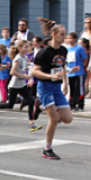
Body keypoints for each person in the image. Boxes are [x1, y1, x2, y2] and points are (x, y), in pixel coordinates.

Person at [32, 18, 73, 160]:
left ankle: (40, 105)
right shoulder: (44, 52)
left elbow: (62, 67)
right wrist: (50, 75)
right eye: (62, 34)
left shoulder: (63, 50)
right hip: (45, 86)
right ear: (54, 34)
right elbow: (34, 72)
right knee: (54, 119)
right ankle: (47, 148)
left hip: (57, 87)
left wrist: (65, 83)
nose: (64, 37)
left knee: (68, 118)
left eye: (65, 34)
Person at [0, 40, 43, 132]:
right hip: (14, 85)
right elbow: (12, 72)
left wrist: (29, 79)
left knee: (30, 101)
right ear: (20, 48)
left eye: (27, 47)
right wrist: (25, 76)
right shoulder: (17, 58)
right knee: (10, 105)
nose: (27, 49)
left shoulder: (25, 58)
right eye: (25, 47)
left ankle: (31, 123)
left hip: (22, 85)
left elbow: (26, 69)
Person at [66, 32, 88, 111]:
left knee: (79, 88)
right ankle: (72, 104)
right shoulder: (67, 49)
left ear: (75, 39)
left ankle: (80, 104)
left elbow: (85, 58)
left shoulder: (79, 48)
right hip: (70, 73)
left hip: (79, 72)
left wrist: (83, 66)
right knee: (72, 88)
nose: (69, 40)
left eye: (71, 38)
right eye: (68, 38)